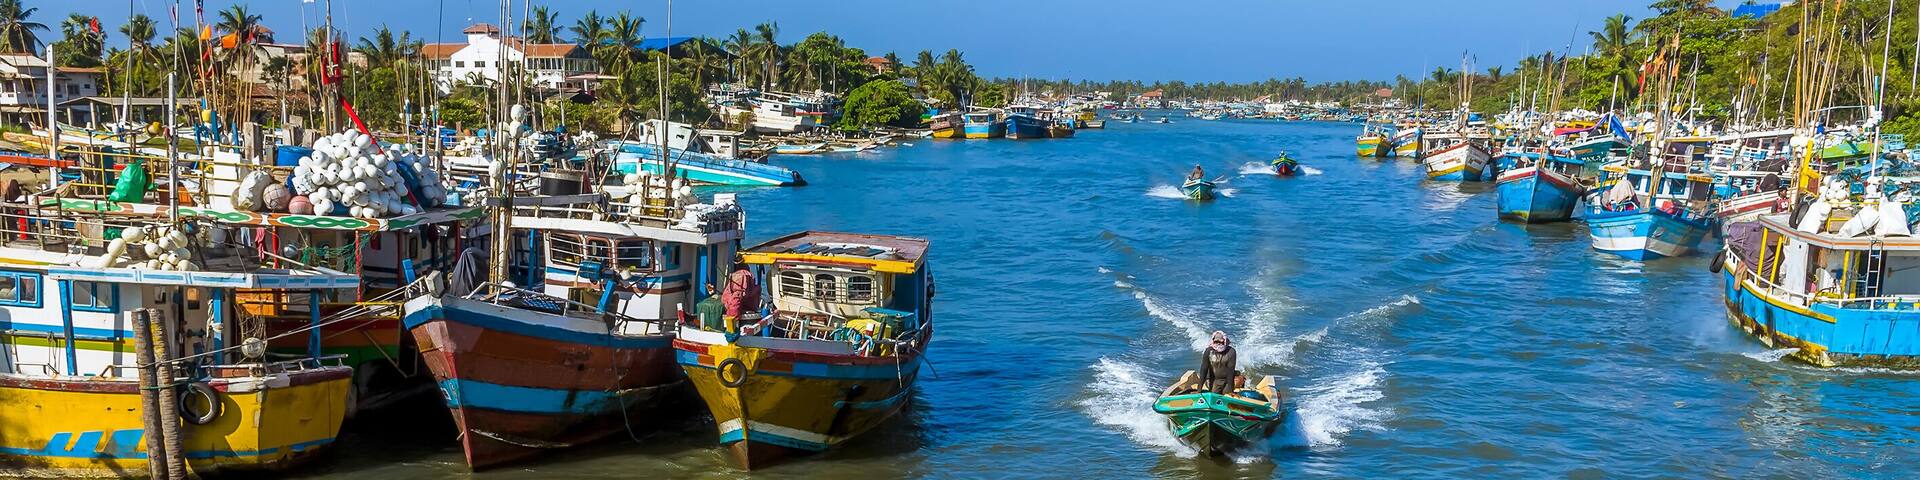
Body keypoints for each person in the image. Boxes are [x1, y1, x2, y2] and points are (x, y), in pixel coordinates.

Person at [721, 260, 762, 333]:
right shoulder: (744, 276)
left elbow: (735, 300)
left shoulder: (740, 276)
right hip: (743, 316)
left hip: (738, 316)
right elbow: (736, 299)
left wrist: (732, 320)